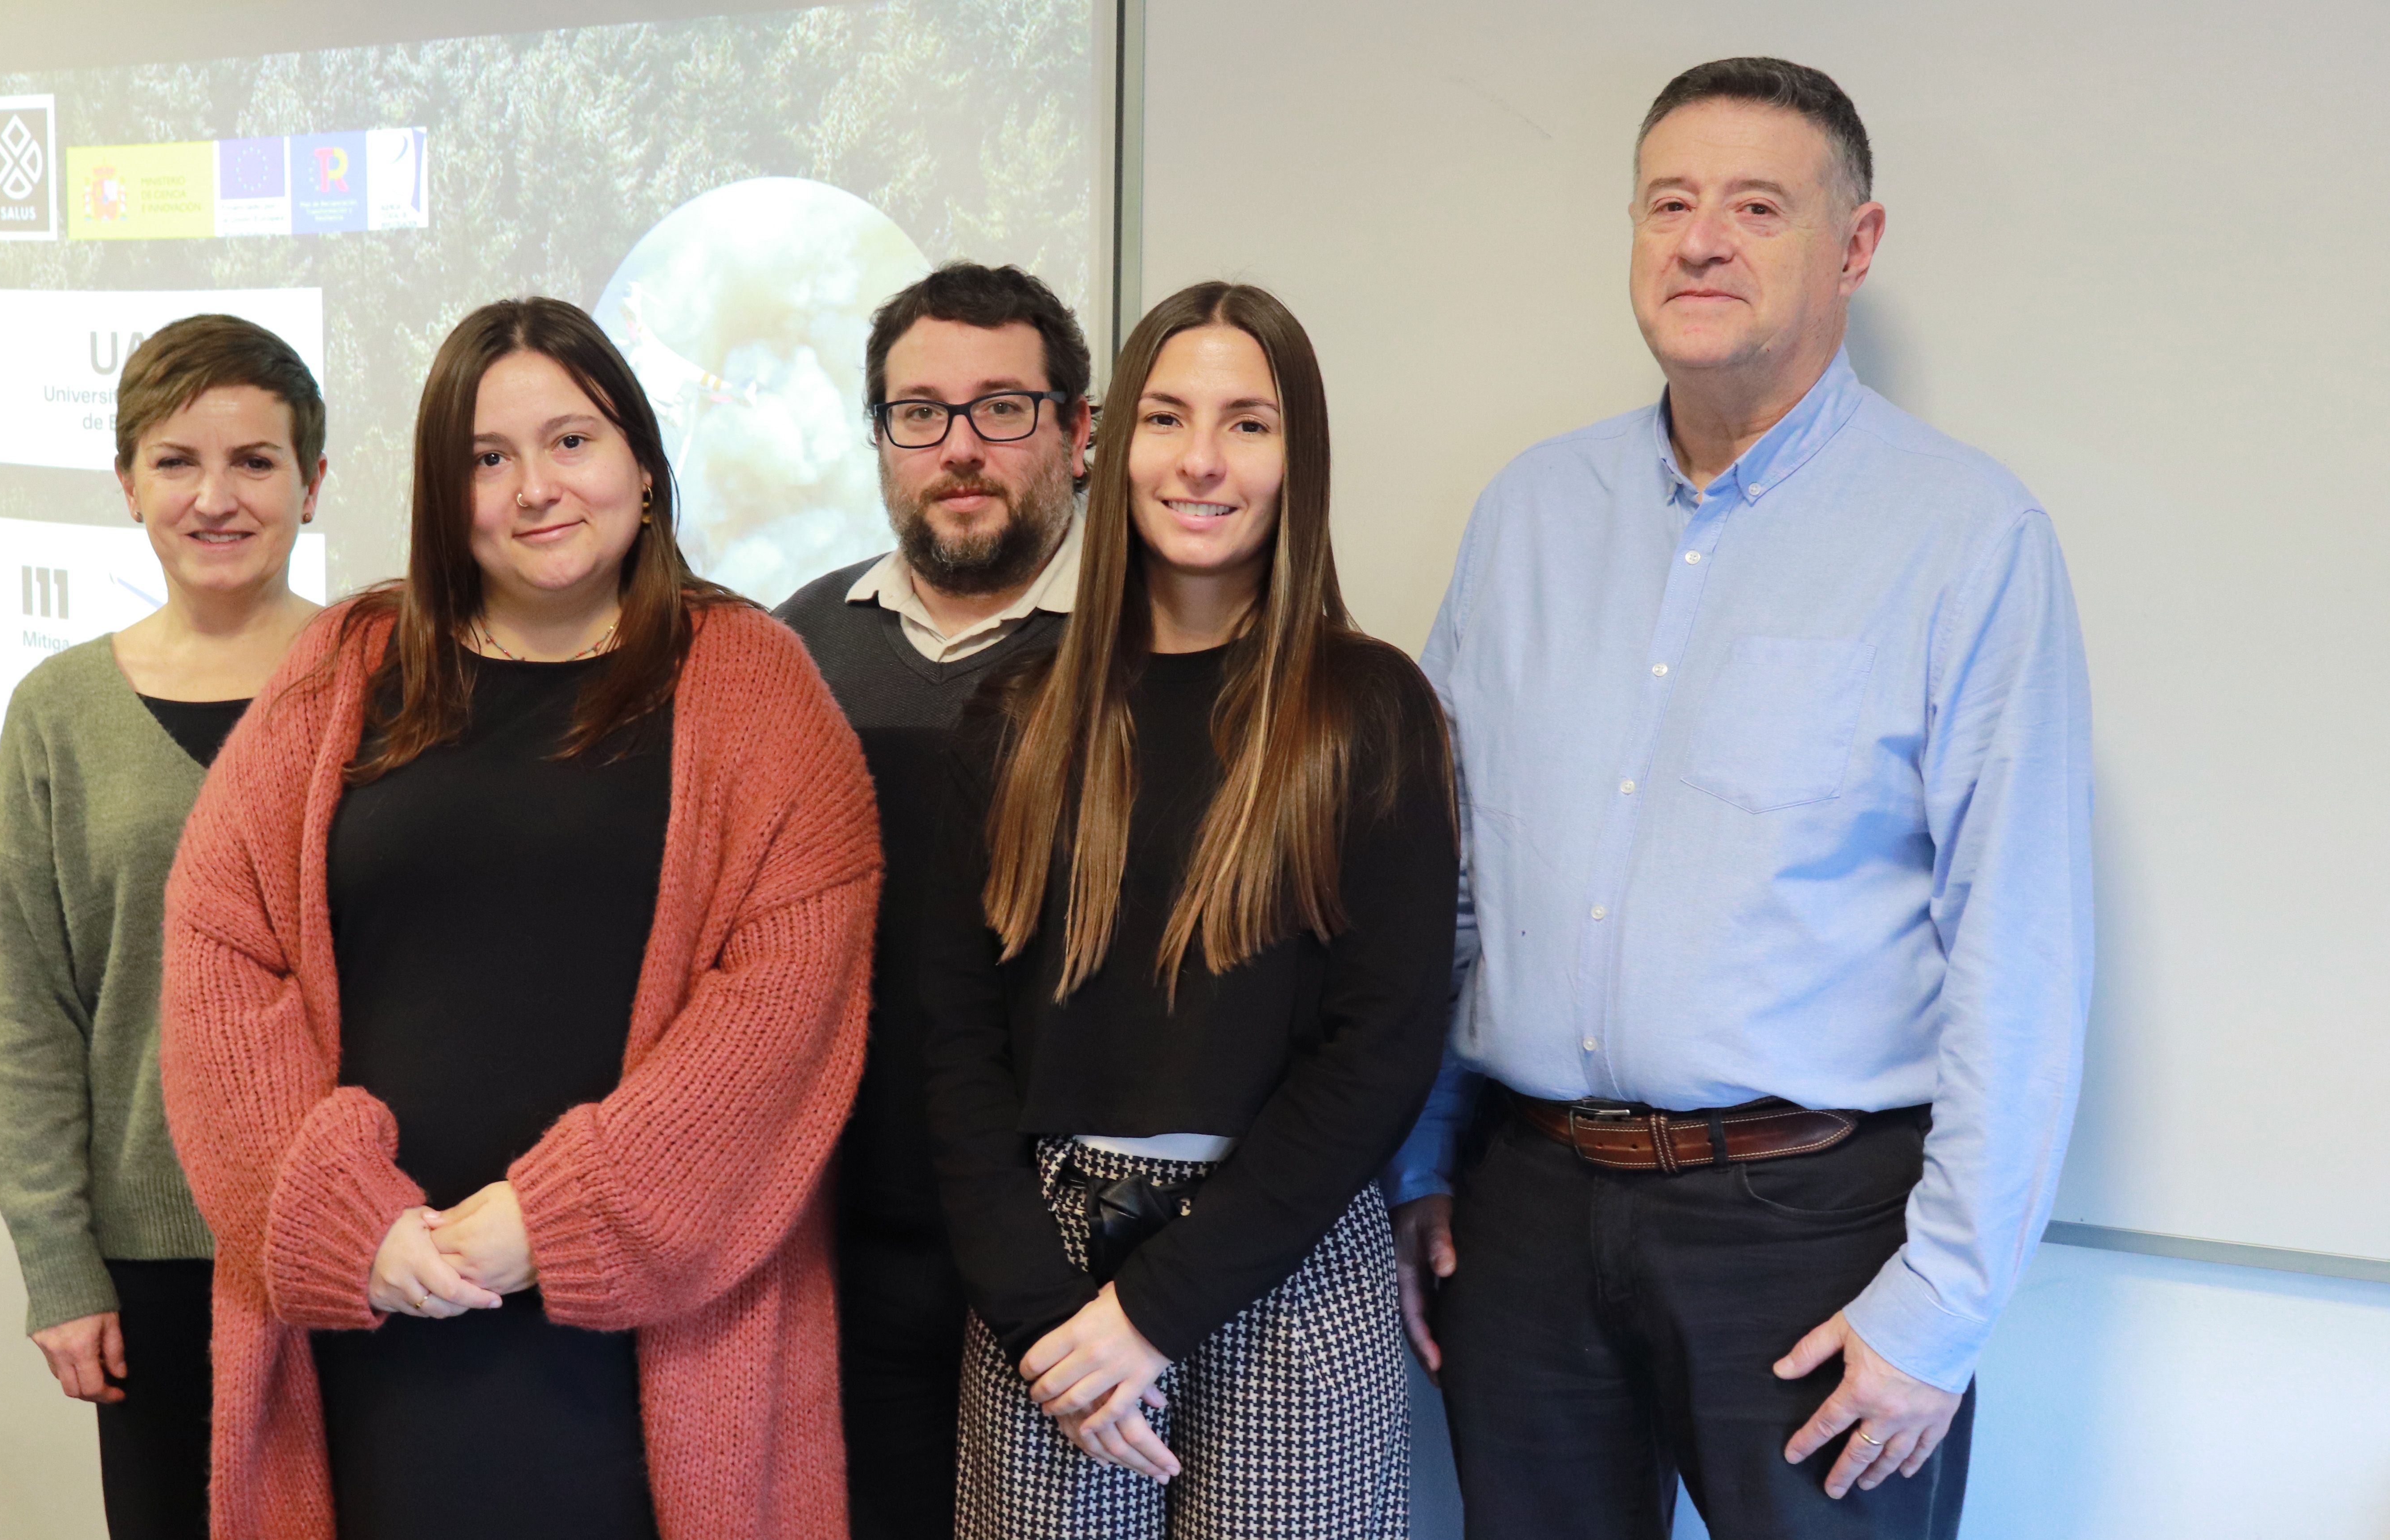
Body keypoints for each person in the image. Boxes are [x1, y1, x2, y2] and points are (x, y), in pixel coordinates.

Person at [1385, 57, 2093, 1540]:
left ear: (1856, 245)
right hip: (1520, 1207)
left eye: (1755, 205)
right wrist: (1419, 1166)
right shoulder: (1528, 512)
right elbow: (1451, 879)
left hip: (1812, 1228)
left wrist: (1940, 1306)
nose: (1699, 240)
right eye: (1669, 202)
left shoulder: (1963, 536)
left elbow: (2015, 945)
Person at [158, 296, 879, 1540]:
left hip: (647, 1339)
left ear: (643, 468)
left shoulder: (755, 685)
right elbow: (221, 954)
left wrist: (549, 1223)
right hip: (374, 1317)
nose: (534, 487)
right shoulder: (347, 665)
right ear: (446, 496)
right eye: (486, 459)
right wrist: (353, 1224)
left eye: (572, 442)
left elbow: (782, 1004)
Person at [923, 281, 1458, 1538]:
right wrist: (1049, 1314)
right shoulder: (1016, 716)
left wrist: (1152, 1312)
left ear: (1297, 457)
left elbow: (1379, 1047)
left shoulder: (1367, 710)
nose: (1201, 460)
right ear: (1108, 445)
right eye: (1166, 418)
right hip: (1044, 1286)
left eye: (1248, 423)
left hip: (1285, 1263)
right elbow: (955, 1049)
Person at [0, 313, 326, 1539]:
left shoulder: (390, 682)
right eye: (177, 461)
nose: (215, 497)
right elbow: (27, 1010)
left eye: (255, 461)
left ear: (313, 483)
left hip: (368, 1236)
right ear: (128, 484)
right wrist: (59, 1265)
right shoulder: (58, 712)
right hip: (156, 1263)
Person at [774, 260, 1094, 1540]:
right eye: (920, 414)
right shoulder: (796, 645)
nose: (959, 448)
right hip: (841, 1246)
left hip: (1067, 1255)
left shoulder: (1145, 647)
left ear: (1079, 433)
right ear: (880, 442)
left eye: (1002, 408)